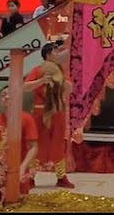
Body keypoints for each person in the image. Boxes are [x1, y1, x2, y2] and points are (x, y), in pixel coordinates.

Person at [0, 89, 39, 202]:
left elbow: (34, 147)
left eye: (11, 94)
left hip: (19, 171)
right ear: (0, 100)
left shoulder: (26, 119)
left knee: (13, 204)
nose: (7, 97)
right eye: (3, 95)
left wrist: (23, 167)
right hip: (0, 172)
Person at [24, 43, 74, 188]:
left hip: (57, 111)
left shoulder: (61, 71)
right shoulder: (37, 70)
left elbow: (70, 89)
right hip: (40, 112)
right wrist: (41, 81)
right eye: (55, 52)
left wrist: (60, 80)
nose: (57, 54)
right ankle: (31, 177)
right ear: (47, 54)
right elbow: (25, 87)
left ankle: (61, 176)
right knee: (37, 143)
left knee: (58, 143)